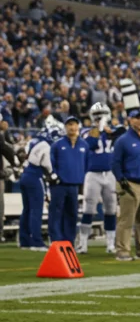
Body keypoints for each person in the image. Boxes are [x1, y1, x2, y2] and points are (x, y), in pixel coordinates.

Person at [112, 108, 140, 260]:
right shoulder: (123, 140)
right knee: (126, 219)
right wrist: (121, 181)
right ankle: (122, 250)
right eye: (137, 118)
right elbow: (115, 163)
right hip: (131, 183)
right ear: (130, 120)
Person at [18, 117, 64, 251]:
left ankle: (24, 241)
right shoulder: (47, 146)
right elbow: (48, 166)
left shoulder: (35, 141)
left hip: (25, 174)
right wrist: (56, 177)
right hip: (35, 176)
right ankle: (36, 242)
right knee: (36, 210)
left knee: (26, 209)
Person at [79, 102, 118, 254]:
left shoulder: (113, 131)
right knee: (88, 208)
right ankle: (83, 243)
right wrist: (100, 129)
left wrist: (108, 131)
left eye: (101, 115)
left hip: (110, 174)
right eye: (96, 115)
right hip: (93, 174)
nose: (99, 118)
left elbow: (121, 136)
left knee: (111, 209)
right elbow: (90, 144)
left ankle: (110, 244)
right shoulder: (87, 131)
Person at [48, 116, 87, 244]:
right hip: (60, 185)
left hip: (75, 185)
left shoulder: (84, 145)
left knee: (72, 214)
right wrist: (55, 177)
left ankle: (69, 241)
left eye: (74, 124)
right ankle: (56, 240)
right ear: (65, 127)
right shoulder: (57, 144)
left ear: (78, 126)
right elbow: (51, 164)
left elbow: (86, 164)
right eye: (69, 124)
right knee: (56, 212)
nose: (72, 127)